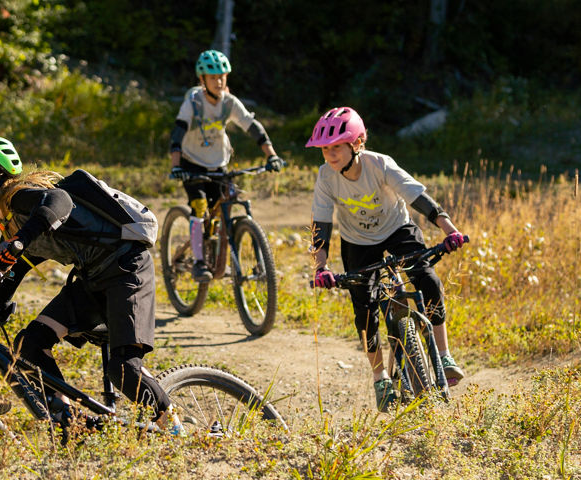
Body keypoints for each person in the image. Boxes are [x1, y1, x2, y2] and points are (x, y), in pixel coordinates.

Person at [0, 136, 183, 433]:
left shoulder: (20, 199)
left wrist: (20, 241)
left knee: (123, 371)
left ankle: (177, 431)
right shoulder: (11, 228)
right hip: (91, 280)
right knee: (28, 346)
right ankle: (73, 424)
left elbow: (60, 201)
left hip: (127, 269)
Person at [306, 107, 466, 412]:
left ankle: (444, 355)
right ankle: (380, 377)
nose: (329, 155)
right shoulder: (326, 176)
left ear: (357, 144)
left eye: (336, 147)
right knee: (364, 311)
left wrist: (449, 229)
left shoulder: (379, 165)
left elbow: (415, 196)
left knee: (427, 278)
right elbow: (322, 225)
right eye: (325, 149)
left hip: (396, 229)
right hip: (357, 241)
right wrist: (321, 266)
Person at [169, 49, 284, 281]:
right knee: (200, 208)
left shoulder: (229, 103)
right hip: (192, 165)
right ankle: (200, 262)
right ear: (202, 80)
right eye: (213, 77)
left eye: (222, 76)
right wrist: (176, 165)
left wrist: (272, 155)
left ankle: (220, 257)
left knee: (225, 207)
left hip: (218, 164)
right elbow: (178, 132)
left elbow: (252, 126)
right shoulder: (193, 102)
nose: (219, 81)